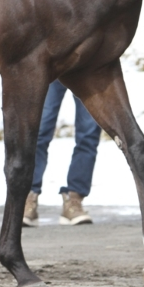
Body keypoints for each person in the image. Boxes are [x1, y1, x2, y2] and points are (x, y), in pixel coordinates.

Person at [23, 80, 102, 227]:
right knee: (38, 129)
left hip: (87, 63)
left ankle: (74, 200)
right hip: (50, 61)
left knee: (89, 133)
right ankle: (28, 197)